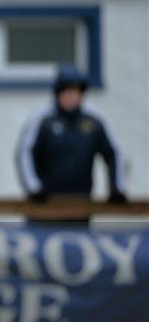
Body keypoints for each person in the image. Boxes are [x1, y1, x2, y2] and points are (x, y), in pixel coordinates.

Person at [16, 64, 127, 220]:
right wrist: (34, 188)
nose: (71, 97)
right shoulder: (42, 119)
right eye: (67, 91)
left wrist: (116, 188)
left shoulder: (93, 121)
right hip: (44, 207)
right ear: (58, 93)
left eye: (76, 92)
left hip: (81, 207)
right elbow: (25, 153)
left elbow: (113, 153)